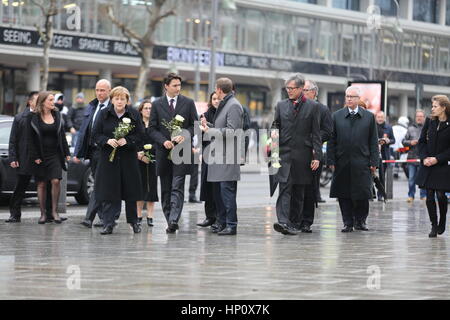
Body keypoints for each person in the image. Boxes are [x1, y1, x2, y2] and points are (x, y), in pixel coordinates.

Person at [270, 73, 322, 236]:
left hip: (303, 155)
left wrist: (317, 157)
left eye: (292, 88)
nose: (289, 91)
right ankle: (283, 222)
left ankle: (294, 223)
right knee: (284, 188)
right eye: (287, 88)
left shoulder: (313, 107)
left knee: (299, 191)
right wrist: (274, 153)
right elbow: (275, 129)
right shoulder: (281, 105)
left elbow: (316, 134)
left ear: (301, 89)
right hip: (284, 155)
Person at [149, 73, 198, 233]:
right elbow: (152, 128)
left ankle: (174, 219)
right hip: (164, 152)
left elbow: (194, 125)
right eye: (175, 85)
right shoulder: (156, 104)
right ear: (166, 86)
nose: (178, 88)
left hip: (181, 153)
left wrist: (184, 135)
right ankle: (169, 218)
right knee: (165, 189)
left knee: (177, 186)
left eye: (179, 85)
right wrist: (163, 141)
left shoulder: (188, 103)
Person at [93, 86, 144, 235]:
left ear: (127, 100)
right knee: (110, 192)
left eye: (123, 99)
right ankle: (108, 223)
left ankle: (134, 222)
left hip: (128, 160)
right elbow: (95, 135)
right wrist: (107, 141)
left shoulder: (134, 114)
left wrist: (127, 141)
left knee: (131, 192)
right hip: (109, 161)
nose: (120, 101)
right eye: (117, 98)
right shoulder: (104, 114)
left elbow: (141, 135)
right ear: (112, 100)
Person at [327, 86, 379, 232]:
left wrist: (374, 162)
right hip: (342, 162)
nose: (349, 99)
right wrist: (330, 161)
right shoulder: (336, 116)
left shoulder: (368, 117)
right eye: (347, 96)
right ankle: (347, 222)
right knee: (344, 195)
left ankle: (361, 221)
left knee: (362, 194)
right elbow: (332, 141)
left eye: (352, 96)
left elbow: (373, 142)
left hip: (362, 162)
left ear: (358, 99)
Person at [200, 78, 244, 235]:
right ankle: (224, 223)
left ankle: (231, 225)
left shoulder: (233, 106)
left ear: (218, 89)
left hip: (227, 157)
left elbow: (232, 132)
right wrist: (209, 126)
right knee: (219, 194)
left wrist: (209, 132)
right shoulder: (227, 103)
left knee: (227, 193)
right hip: (218, 156)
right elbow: (223, 128)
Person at [75, 79, 114, 228]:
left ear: (109, 91)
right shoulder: (92, 106)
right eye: (97, 90)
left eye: (102, 90)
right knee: (102, 184)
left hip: (106, 151)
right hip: (92, 151)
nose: (99, 93)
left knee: (98, 183)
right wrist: (78, 152)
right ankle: (104, 217)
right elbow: (83, 130)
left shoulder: (113, 107)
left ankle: (89, 217)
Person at [28, 91, 71, 224]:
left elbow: (61, 135)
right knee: (41, 183)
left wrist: (66, 152)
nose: (54, 102)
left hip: (55, 155)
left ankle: (54, 211)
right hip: (40, 155)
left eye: (53, 100)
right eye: (51, 100)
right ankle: (43, 214)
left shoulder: (57, 114)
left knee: (56, 181)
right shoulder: (34, 116)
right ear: (43, 102)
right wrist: (35, 156)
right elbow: (30, 139)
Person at [299, 80, 332, 232]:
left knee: (310, 189)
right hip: (296, 154)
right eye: (301, 90)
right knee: (295, 188)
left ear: (314, 92)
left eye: (305, 90)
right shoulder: (294, 106)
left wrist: (312, 139)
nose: (302, 93)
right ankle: (293, 219)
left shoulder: (322, 109)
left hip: (313, 154)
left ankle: (306, 221)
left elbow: (328, 131)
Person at [416, 95, 450, 238]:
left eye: (435, 106)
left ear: (444, 108)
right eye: (432, 106)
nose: (432, 109)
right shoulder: (429, 121)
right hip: (428, 164)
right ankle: (434, 225)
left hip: (442, 165)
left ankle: (442, 220)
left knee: (441, 196)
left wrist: (437, 159)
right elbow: (422, 141)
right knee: (429, 196)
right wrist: (424, 158)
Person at [6, 91, 39, 223]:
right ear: (30, 102)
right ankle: (14, 214)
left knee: (45, 186)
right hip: (24, 158)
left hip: (39, 159)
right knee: (20, 187)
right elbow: (12, 140)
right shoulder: (19, 118)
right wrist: (13, 158)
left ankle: (48, 214)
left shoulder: (44, 116)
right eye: (37, 100)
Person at [197, 92, 220, 228]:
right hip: (207, 153)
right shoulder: (205, 115)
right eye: (214, 99)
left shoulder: (225, 113)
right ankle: (209, 216)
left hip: (221, 154)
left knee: (217, 187)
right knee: (207, 185)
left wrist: (209, 128)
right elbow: (200, 135)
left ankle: (218, 218)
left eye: (218, 98)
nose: (216, 101)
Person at [136, 100, 158, 227]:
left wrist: (151, 154)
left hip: (153, 158)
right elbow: (134, 140)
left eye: (150, 108)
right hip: (139, 158)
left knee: (151, 186)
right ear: (141, 110)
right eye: (146, 108)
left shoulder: (156, 124)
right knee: (139, 186)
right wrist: (139, 154)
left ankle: (150, 216)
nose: (148, 110)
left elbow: (159, 139)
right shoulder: (137, 124)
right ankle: (138, 215)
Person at [403, 110, 427, 202]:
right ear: (415, 117)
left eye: (421, 116)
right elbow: (403, 142)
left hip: (423, 158)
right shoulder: (410, 128)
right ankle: (411, 195)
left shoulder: (427, 128)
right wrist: (410, 142)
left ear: (424, 117)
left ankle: (423, 195)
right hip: (412, 158)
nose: (419, 118)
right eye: (418, 116)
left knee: (423, 178)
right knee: (411, 179)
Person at [375, 111, 395, 201]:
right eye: (378, 117)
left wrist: (387, 141)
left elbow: (393, 140)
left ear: (384, 118)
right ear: (376, 118)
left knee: (382, 177)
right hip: (374, 154)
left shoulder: (389, 127)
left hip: (384, 155)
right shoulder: (373, 126)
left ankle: (380, 194)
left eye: (381, 117)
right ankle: (370, 193)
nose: (380, 119)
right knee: (372, 176)